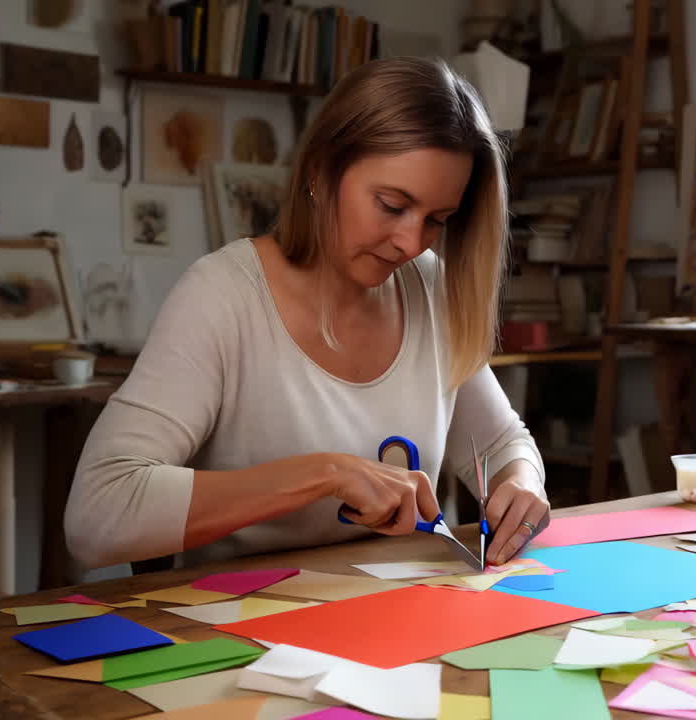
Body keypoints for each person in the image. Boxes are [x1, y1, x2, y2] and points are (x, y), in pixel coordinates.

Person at [65, 57, 549, 571]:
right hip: (239, 627)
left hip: (397, 619)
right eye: (390, 204)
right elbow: (97, 515)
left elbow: (500, 443)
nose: (411, 242)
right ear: (320, 171)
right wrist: (324, 474)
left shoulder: (428, 285)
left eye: (437, 219)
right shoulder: (223, 297)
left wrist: (520, 481)